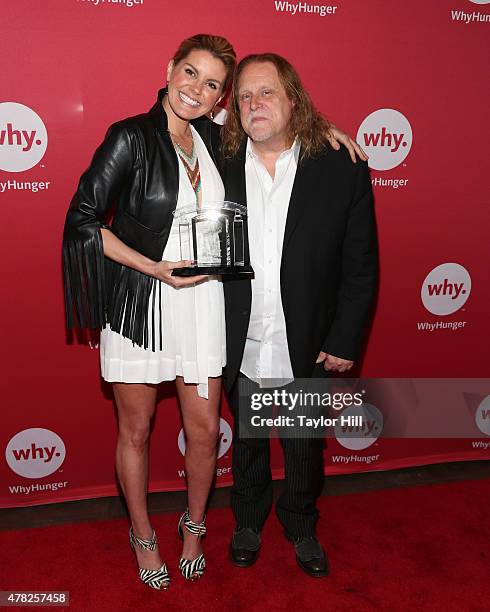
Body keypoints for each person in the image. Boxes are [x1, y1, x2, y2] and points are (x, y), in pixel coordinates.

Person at [63, 34, 363, 589]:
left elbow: (285, 135)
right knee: (137, 429)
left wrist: (326, 130)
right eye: (190, 74)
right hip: (138, 306)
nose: (197, 90)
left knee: (205, 434)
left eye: (212, 85)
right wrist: (152, 268)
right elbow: (83, 221)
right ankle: (143, 535)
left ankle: (195, 527)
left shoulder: (211, 140)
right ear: (170, 69)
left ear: (219, 99)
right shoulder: (131, 136)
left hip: (203, 307)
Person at [220, 53, 378, 578]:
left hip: (305, 335)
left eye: (267, 93)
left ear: (293, 99)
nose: (254, 104)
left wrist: (345, 336)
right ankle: (248, 520)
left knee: (304, 443)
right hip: (236, 335)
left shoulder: (340, 167)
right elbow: (175, 113)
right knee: (246, 440)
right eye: (244, 96)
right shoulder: (217, 162)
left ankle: (302, 524)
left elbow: (360, 265)